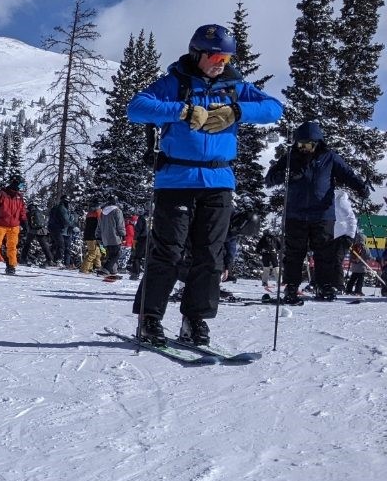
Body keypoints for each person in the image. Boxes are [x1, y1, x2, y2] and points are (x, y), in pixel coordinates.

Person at [128, 23, 283, 346]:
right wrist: (182, 111)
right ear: (197, 53)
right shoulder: (176, 83)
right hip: (175, 181)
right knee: (168, 251)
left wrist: (235, 111)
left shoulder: (234, 86)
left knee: (211, 256)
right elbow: (136, 108)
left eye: (226, 57)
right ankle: (150, 318)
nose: (221, 62)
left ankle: (194, 320)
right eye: (215, 56)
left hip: (219, 181)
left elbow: (274, 109)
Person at [264, 120, 367, 303]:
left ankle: (324, 285)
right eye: (300, 144)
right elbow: (270, 179)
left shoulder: (329, 157)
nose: (303, 148)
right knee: (294, 253)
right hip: (296, 214)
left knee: (324, 252)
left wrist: (360, 187)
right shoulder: (290, 157)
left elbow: (347, 174)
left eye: (308, 144)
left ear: (317, 143)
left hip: (322, 214)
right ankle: (292, 287)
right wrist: (284, 175)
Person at [97, 198, 125, 277]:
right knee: (117, 254)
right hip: (114, 236)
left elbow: (99, 225)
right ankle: (105, 269)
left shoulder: (103, 212)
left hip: (105, 237)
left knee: (111, 254)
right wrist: (123, 234)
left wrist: (98, 236)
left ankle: (113, 271)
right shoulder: (117, 211)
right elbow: (120, 224)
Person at [46, 196, 75, 267]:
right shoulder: (62, 209)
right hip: (57, 228)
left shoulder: (57, 207)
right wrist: (73, 225)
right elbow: (66, 221)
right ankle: (57, 260)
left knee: (55, 245)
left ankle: (50, 260)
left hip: (53, 228)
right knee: (61, 245)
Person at [19, 200, 51, 265]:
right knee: (44, 245)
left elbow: (25, 222)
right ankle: (50, 259)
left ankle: (23, 259)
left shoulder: (28, 212)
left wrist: (25, 229)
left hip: (31, 231)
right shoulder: (39, 211)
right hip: (40, 230)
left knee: (27, 245)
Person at [78, 205, 103, 274]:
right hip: (93, 236)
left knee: (97, 253)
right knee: (92, 253)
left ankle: (97, 268)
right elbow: (101, 224)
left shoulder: (89, 213)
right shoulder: (98, 212)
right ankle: (84, 269)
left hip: (89, 235)